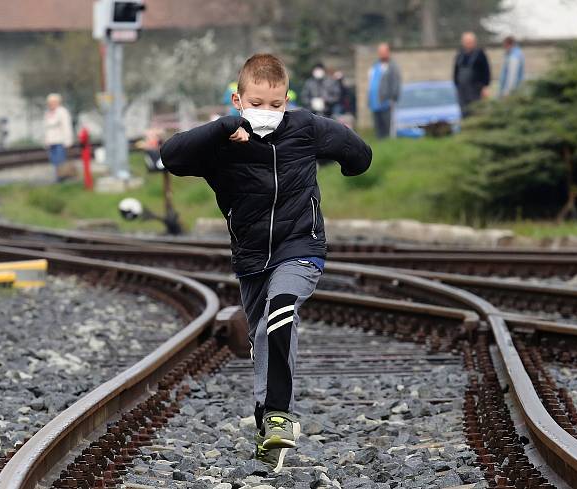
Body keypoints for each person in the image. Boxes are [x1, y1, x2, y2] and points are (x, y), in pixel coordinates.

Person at [161, 53, 372, 472]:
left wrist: (348, 159)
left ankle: (279, 413)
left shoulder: (305, 128)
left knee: (281, 311)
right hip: (252, 256)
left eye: (276, 105)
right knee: (262, 336)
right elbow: (172, 156)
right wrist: (224, 128)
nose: (268, 113)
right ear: (239, 100)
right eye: (257, 104)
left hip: (301, 246)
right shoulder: (221, 144)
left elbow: (359, 156)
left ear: (286, 101)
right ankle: (269, 426)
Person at [367, 42, 402, 139]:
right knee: (378, 129)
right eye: (380, 52)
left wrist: (393, 98)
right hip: (375, 103)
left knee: (387, 128)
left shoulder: (392, 67)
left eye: (383, 51)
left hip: (386, 103)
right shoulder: (375, 66)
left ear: (388, 52)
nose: (381, 54)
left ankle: (388, 145)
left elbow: (396, 83)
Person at [453, 32, 491, 117]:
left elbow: (486, 70)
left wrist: (485, 86)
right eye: (466, 42)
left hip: (476, 89)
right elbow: (456, 71)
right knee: (464, 111)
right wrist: (456, 85)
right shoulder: (460, 54)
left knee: (475, 111)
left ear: (474, 42)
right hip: (462, 89)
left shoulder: (480, 54)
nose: (468, 44)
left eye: (470, 42)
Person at [43, 93, 74, 182]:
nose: (50, 104)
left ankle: (62, 178)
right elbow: (46, 128)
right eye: (49, 102)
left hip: (60, 140)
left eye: (52, 102)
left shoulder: (62, 112)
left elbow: (66, 127)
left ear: (57, 102)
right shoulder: (47, 113)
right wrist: (46, 140)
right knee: (54, 161)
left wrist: (68, 141)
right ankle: (59, 177)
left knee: (60, 161)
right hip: (51, 141)